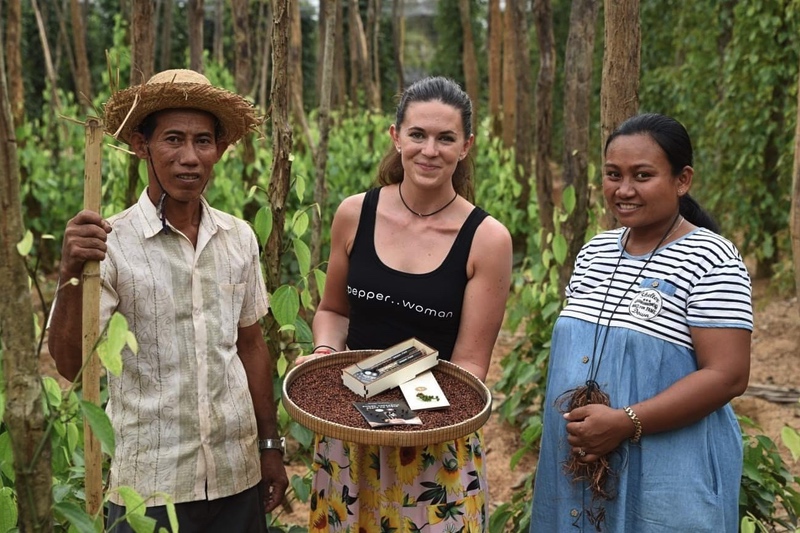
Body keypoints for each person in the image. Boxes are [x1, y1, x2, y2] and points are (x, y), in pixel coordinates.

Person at [48, 69, 289, 532]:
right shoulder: (111, 244)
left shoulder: (238, 238)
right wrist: (69, 273)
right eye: (173, 140)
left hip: (235, 475)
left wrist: (270, 447)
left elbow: (251, 346)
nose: (189, 158)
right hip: (150, 486)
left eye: (203, 141)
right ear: (141, 146)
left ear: (219, 149)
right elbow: (68, 364)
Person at [295, 77, 513, 532]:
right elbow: (334, 312)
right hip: (348, 435)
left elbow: (470, 364)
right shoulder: (355, 214)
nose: (429, 150)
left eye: (445, 138)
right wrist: (324, 355)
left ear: (466, 146)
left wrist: (401, 417)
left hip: (433, 440)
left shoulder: (487, 240)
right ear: (396, 137)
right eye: (417, 135)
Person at [529, 113, 753, 532]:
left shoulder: (712, 258)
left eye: (642, 175)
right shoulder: (595, 252)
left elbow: (728, 375)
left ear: (682, 180)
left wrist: (624, 421)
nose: (624, 189)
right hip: (581, 469)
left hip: (667, 474)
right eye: (613, 174)